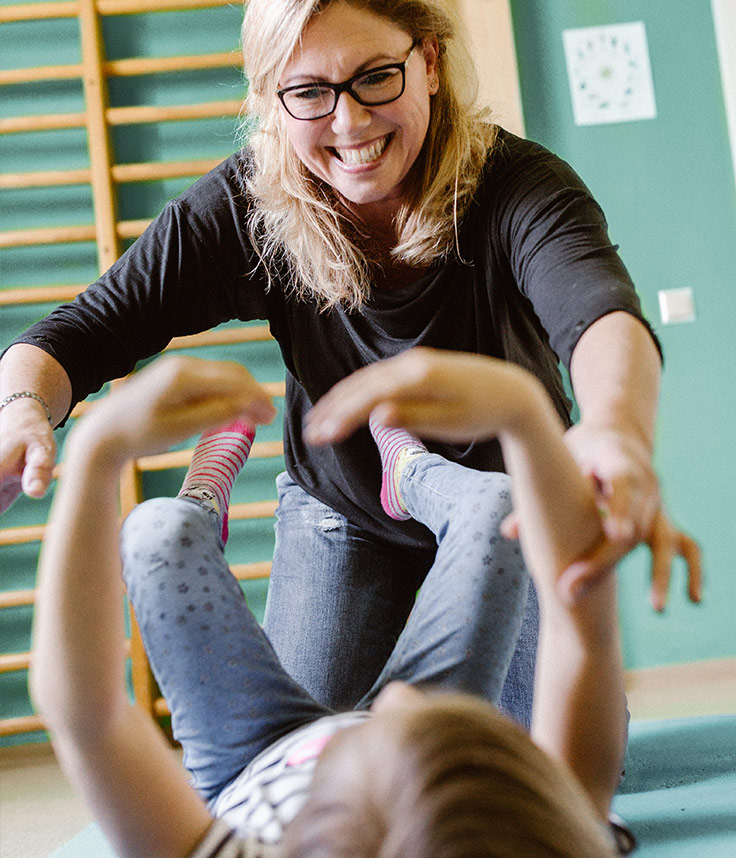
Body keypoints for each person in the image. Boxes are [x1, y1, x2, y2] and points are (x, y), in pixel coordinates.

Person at [3, 0, 699, 724]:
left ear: (428, 62)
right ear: (273, 99)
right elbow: (77, 332)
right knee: (302, 762)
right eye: (309, 92)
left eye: (375, 77)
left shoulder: (518, 187)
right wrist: (21, 410)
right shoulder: (248, 207)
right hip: (347, 508)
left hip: (508, 505)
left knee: (532, 777)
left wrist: (616, 428)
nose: (349, 122)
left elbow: (599, 314)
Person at [31, 350, 702, 858]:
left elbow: (84, 715)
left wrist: (98, 451)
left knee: (156, 532)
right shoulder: (532, 833)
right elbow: (578, 631)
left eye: (389, 726)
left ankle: (203, 493)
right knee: (498, 507)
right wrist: (526, 417)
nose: (399, 700)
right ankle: (409, 474)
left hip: (249, 753)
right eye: (446, 734)